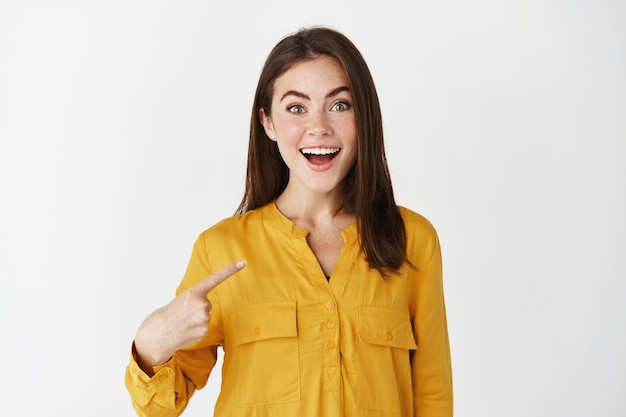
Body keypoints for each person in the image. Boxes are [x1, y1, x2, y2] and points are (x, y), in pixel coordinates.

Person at [125, 26, 453, 417]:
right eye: (296, 108)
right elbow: (161, 406)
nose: (319, 127)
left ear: (365, 116)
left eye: (340, 105)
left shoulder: (412, 240)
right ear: (268, 123)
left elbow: (433, 395)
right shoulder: (221, 249)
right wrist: (149, 344)